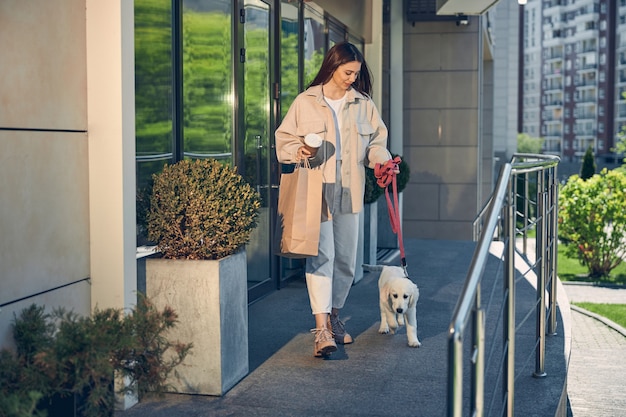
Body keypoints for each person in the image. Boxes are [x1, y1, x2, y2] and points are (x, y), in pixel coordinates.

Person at [275, 42, 399, 357]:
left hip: (350, 189)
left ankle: (334, 317)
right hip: (316, 189)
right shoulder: (305, 102)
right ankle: (321, 331)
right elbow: (284, 139)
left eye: (356, 74)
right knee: (322, 257)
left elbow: (377, 142)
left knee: (345, 260)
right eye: (347, 72)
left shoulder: (363, 103)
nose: (351, 79)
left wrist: (381, 161)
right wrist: (298, 150)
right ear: (333, 66)